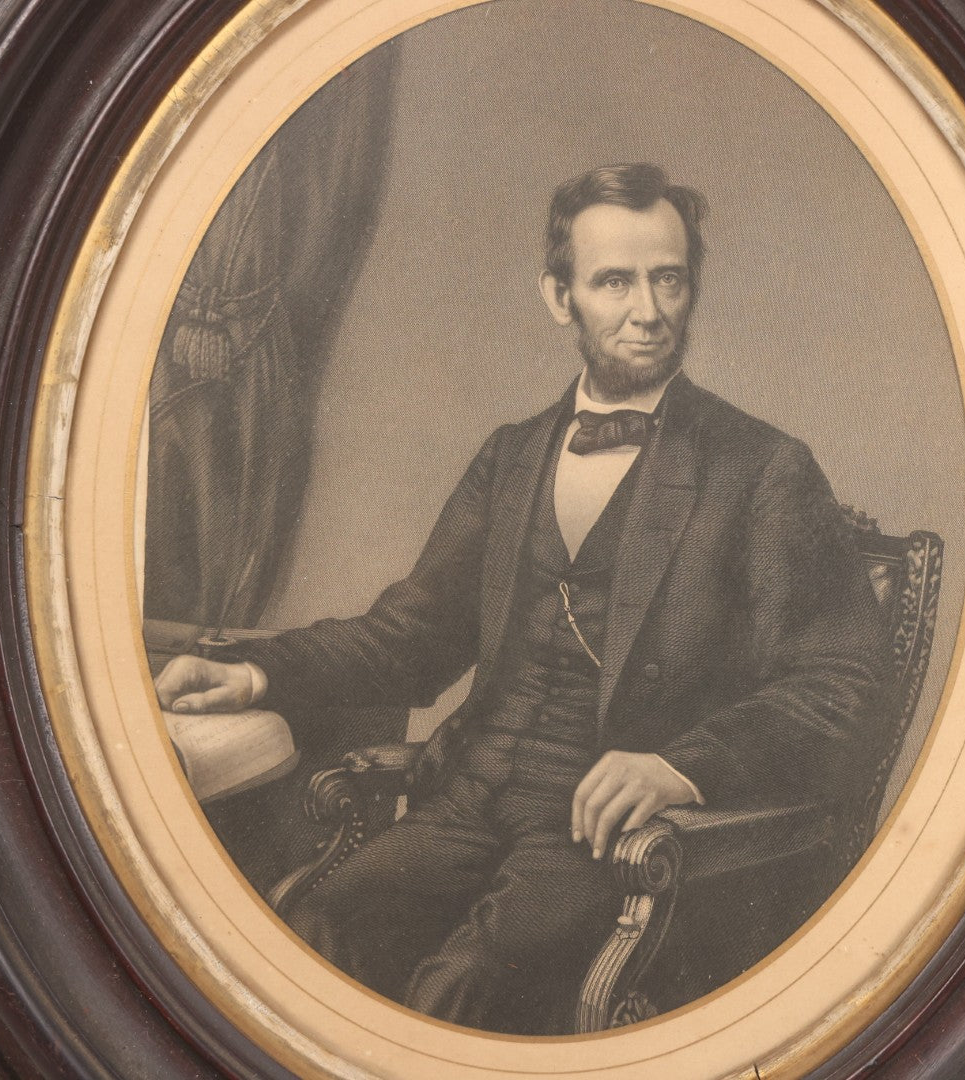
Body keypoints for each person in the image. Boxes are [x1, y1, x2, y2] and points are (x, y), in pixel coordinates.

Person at [153, 163, 890, 1032]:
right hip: (467, 795)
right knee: (313, 933)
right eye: (613, 281)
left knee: (464, 985)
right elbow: (410, 635)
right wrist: (256, 674)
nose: (647, 310)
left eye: (668, 279)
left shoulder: (761, 468)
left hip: (607, 832)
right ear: (558, 295)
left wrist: (679, 767)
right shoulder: (511, 456)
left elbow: (839, 684)